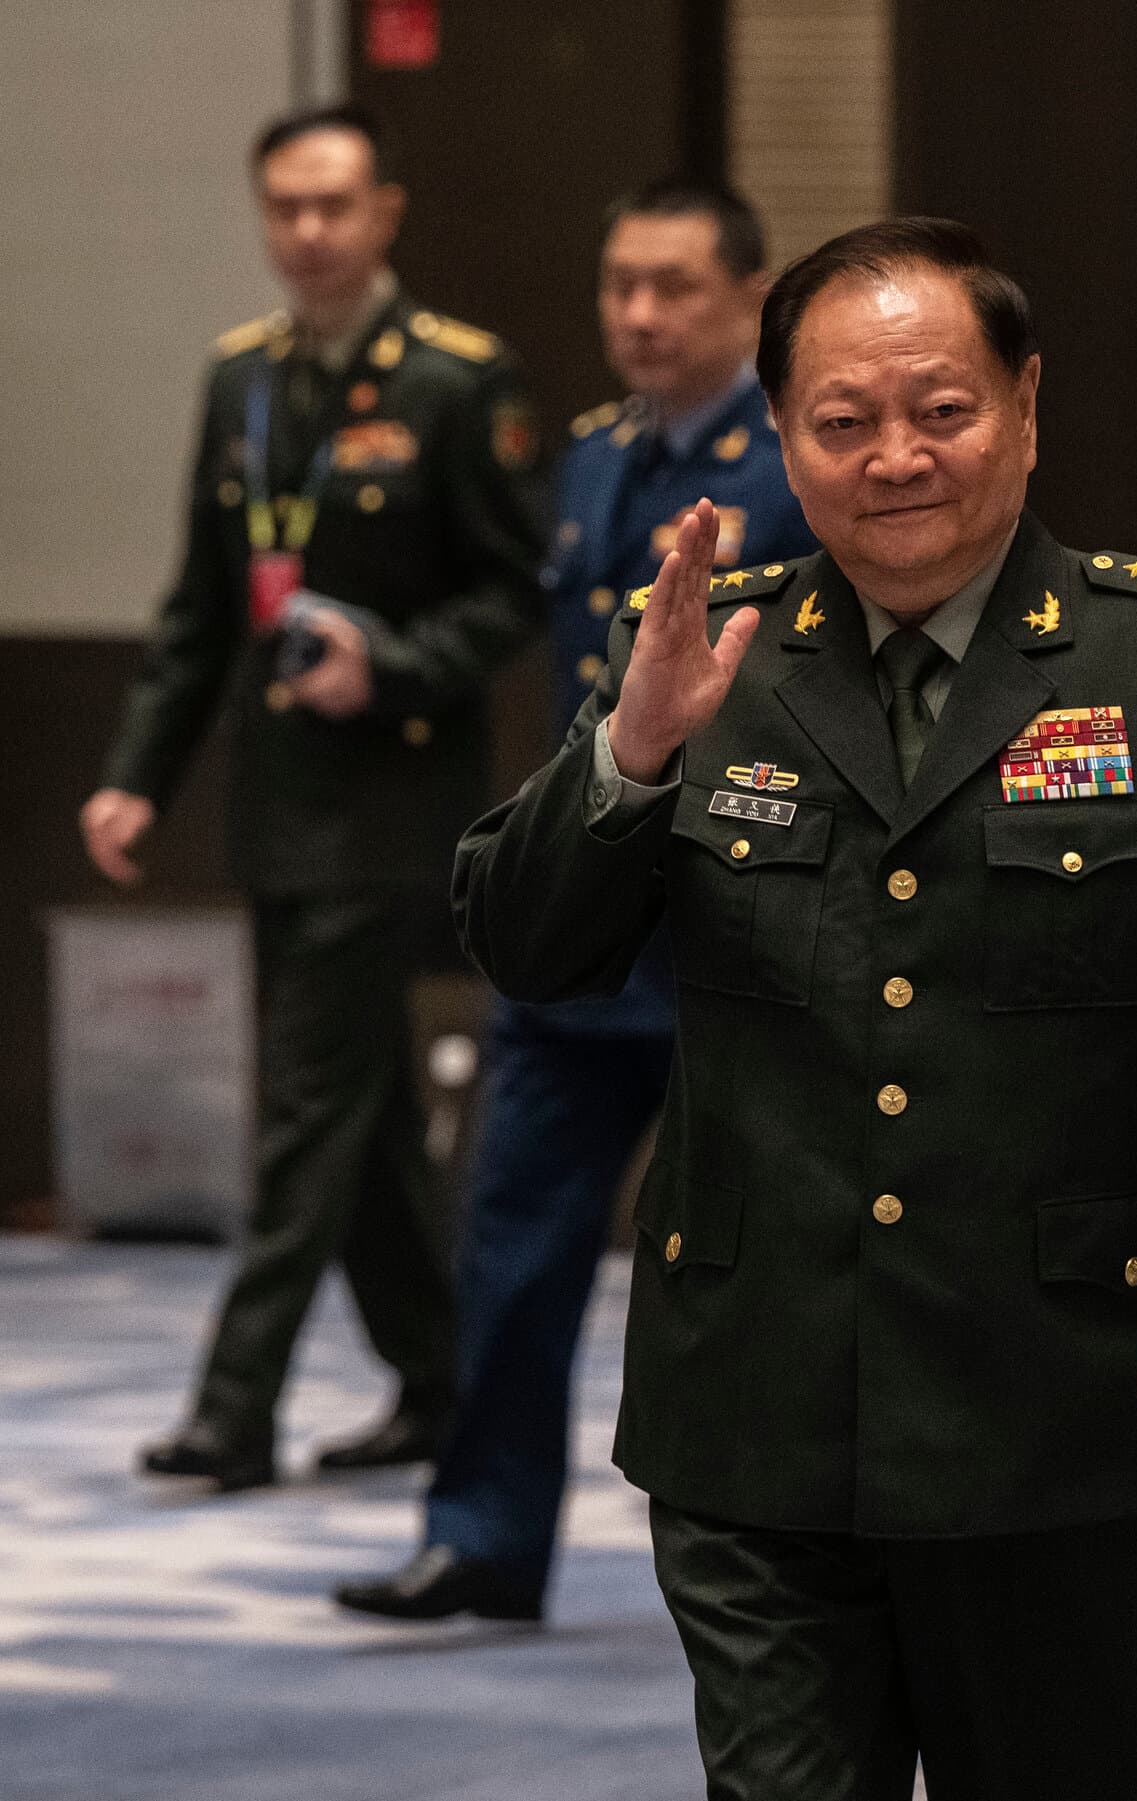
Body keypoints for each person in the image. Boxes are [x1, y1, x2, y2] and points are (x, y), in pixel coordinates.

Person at [453, 218, 1137, 1798]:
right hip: (753, 1397)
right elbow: (530, 948)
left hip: (1060, 1396)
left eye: (940, 411)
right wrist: (633, 755)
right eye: (843, 422)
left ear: (1024, 405)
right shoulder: (703, 649)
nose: (895, 458)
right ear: (784, 437)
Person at [335, 181, 814, 1623]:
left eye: (673, 287)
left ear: (749, 295)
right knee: (510, 1243)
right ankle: (482, 1538)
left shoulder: (796, 468)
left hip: (737, 930)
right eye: (619, 286)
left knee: (763, 1274)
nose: (641, 316)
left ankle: (795, 1550)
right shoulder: (594, 459)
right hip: (582, 933)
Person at [80, 103, 545, 1493]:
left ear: (386, 213)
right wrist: (133, 779)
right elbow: (202, 611)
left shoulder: (458, 381)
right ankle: (440, 1378)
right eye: (285, 207)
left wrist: (390, 666)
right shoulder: (245, 382)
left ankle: (236, 1407)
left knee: (304, 1108)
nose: (308, 232)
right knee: (365, 1118)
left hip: (393, 809)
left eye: (335, 205)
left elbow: (519, 590)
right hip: (278, 809)